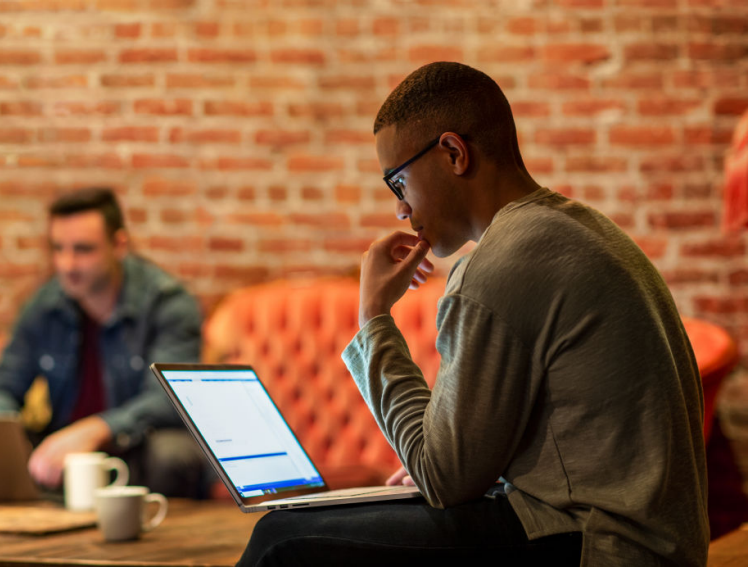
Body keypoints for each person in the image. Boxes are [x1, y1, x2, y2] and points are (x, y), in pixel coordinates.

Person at [237, 62, 708, 566]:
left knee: (282, 538)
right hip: (643, 542)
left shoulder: (500, 264)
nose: (400, 209)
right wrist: (443, 465)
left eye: (398, 182)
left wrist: (373, 316)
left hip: (597, 546)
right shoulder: (582, 229)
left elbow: (441, 477)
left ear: (454, 153)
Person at [0, 188, 211, 499]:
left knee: (173, 454)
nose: (67, 265)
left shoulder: (167, 303)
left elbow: (171, 400)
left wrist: (97, 430)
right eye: (58, 249)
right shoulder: (44, 306)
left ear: (119, 245)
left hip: (135, 446)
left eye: (83, 250)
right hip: (66, 451)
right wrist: (5, 438)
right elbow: (2, 388)